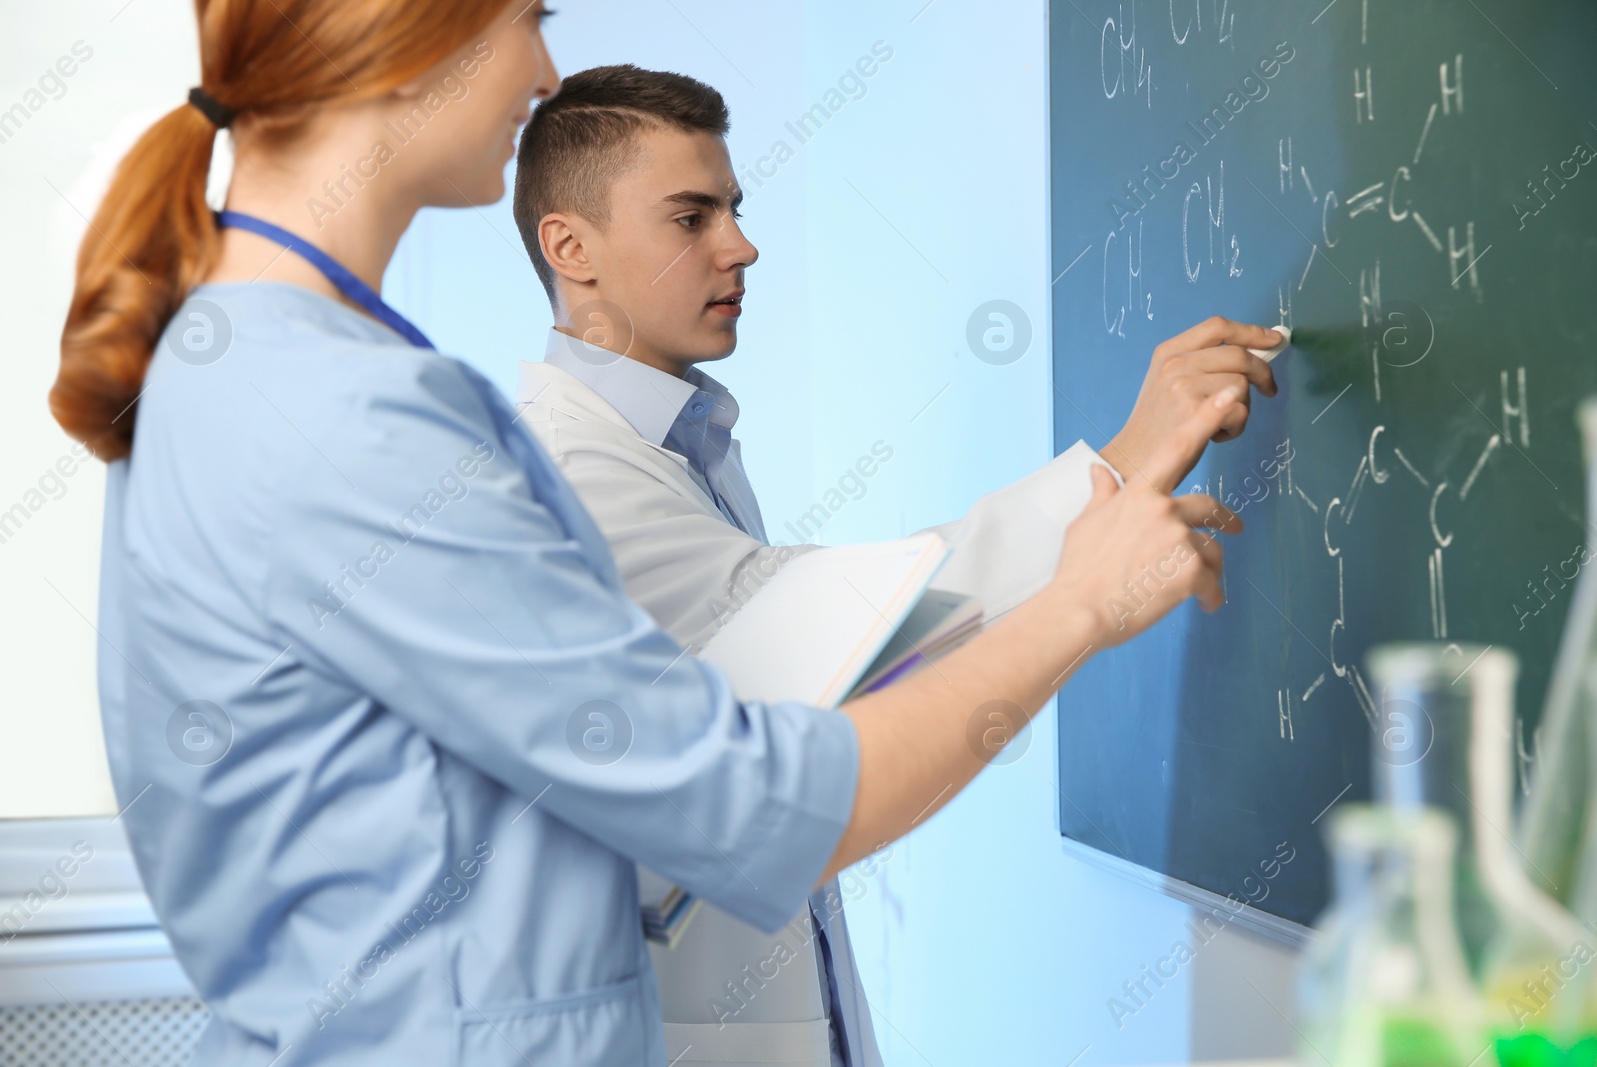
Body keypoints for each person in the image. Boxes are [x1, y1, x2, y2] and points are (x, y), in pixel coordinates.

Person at [52, 4, 1242, 1064]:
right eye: (525, 14)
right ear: (404, 32)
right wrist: (1081, 601)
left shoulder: (243, 364)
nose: (540, 65)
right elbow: (754, 795)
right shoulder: (349, 417)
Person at [510, 66, 1282, 1066]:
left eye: (733, 210)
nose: (740, 246)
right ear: (570, 248)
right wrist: (1121, 463)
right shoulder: (574, 476)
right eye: (690, 217)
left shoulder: (675, 442)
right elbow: (861, 635)